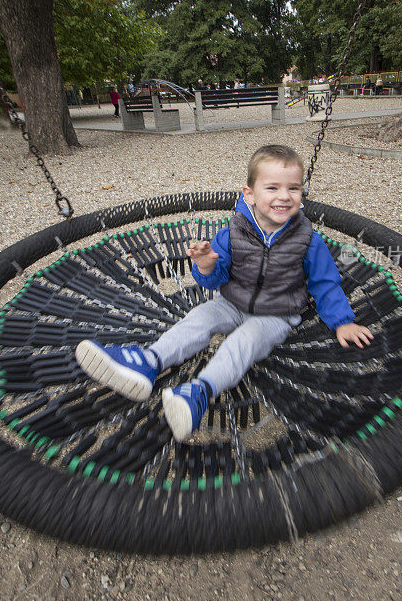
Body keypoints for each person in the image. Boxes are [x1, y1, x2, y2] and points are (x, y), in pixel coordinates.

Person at [75, 145, 373, 442]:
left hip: (276, 315)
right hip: (231, 302)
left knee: (245, 341)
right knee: (198, 319)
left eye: (293, 188)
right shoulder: (231, 233)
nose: (284, 196)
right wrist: (205, 266)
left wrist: (342, 321)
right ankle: (148, 362)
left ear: (301, 194)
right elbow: (213, 280)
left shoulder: (308, 240)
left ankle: (198, 392)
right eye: (272, 187)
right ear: (249, 194)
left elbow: (325, 283)